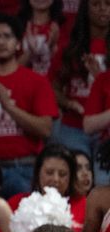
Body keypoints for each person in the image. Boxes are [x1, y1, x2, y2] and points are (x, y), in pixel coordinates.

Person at [0, 13, 59, 199]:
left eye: (7, 36)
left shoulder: (36, 81)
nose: (1, 42)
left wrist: (9, 107)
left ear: (18, 44)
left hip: (26, 167)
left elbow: (45, 130)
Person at [50, 0, 110, 158]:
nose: (103, 9)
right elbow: (52, 87)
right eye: (96, 4)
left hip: (107, 129)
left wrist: (100, 79)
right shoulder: (70, 48)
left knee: (104, 182)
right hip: (73, 127)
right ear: (86, 9)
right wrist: (69, 103)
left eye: (108, 4)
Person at [7, 144, 85, 232]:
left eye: (62, 174)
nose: (56, 179)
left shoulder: (84, 206)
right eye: (49, 172)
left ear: (71, 177)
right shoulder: (16, 203)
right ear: (38, 173)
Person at [17, 0, 63, 76]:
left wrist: (52, 47)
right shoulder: (16, 26)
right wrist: (30, 53)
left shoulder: (64, 27)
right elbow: (10, 69)